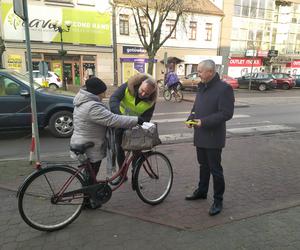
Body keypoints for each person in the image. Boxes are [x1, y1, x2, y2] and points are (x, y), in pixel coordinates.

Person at [70, 77, 144, 185]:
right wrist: (136, 120)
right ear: (96, 93)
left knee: (90, 174)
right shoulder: (92, 107)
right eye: (102, 93)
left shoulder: (82, 101)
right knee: (91, 175)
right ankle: (88, 200)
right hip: (90, 146)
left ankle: (90, 197)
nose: (104, 96)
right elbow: (112, 119)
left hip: (82, 140)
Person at [185, 59, 235, 216]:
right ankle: (202, 191)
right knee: (203, 166)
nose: (198, 74)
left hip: (213, 137)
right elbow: (196, 107)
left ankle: (218, 200)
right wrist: (190, 118)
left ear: (210, 72)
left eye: (200, 71)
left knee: (215, 169)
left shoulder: (224, 89)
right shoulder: (202, 86)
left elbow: (226, 113)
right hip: (200, 134)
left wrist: (203, 122)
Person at [109, 73, 158, 168]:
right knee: (120, 149)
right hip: (120, 123)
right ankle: (122, 172)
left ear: (151, 93)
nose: (143, 94)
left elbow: (147, 118)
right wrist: (120, 117)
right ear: (140, 84)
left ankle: (135, 174)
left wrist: (139, 122)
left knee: (137, 152)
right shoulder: (127, 86)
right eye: (142, 90)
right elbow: (114, 99)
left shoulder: (151, 101)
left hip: (135, 127)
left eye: (147, 93)